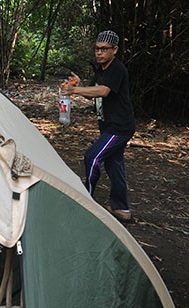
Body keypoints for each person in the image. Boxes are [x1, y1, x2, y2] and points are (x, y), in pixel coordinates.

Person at [62, 30, 136, 221]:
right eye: (97, 49)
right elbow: (93, 93)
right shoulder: (101, 70)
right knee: (114, 164)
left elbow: (103, 91)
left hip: (119, 128)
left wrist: (74, 89)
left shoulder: (117, 69)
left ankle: (86, 200)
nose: (99, 53)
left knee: (92, 157)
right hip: (109, 126)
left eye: (104, 49)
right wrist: (79, 87)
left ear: (115, 50)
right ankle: (122, 209)